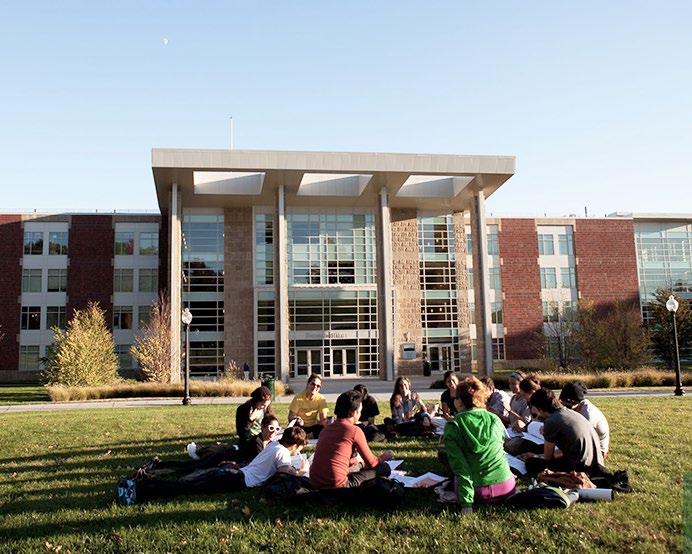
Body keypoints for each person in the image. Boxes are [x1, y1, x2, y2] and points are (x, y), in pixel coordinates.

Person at [117, 426, 309, 506]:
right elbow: (285, 472)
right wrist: (300, 472)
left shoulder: (274, 445)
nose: (298, 452)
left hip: (230, 472)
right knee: (184, 488)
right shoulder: (283, 453)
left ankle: (137, 485)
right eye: (300, 448)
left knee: (186, 484)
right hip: (236, 479)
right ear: (295, 445)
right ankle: (136, 491)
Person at [443, 377, 516, 512]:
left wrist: (466, 504)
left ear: (460, 401)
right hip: (506, 486)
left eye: (455, 398)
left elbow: (460, 467)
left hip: (478, 492)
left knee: (447, 459)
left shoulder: (454, 425)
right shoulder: (494, 418)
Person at [310, 390, 393, 489]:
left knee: (359, 466)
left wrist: (355, 462)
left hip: (315, 482)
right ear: (353, 412)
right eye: (360, 411)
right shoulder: (354, 431)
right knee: (384, 468)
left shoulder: (326, 429)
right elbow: (372, 463)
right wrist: (384, 457)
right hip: (339, 485)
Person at [522, 388, 605, 477]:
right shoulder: (571, 413)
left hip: (580, 468)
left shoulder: (551, 421)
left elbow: (548, 457)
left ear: (540, 409)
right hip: (595, 464)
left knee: (531, 463)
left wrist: (535, 456)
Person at [559, 382, 610, 458]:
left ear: (573, 402)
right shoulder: (578, 407)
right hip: (585, 444)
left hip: (597, 451)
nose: (564, 408)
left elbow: (582, 439)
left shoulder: (587, 415)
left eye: (566, 405)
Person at [504, 374, 543, 456]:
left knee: (511, 446)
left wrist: (525, 427)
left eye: (524, 395)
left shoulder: (539, 403)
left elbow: (531, 422)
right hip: (529, 434)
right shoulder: (528, 402)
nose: (523, 397)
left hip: (538, 438)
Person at [288, 374, 329, 438]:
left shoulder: (321, 399)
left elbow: (323, 419)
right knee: (293, 429)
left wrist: (325, 421)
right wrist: (298, 419)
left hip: (313, 427)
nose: (315, 387)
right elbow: (290, 417)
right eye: (313, 384)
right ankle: (306, 436)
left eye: (318, 386)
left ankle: (305, 436)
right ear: (308, 384)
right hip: (300, 426)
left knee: (322, 428)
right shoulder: (298, 398)